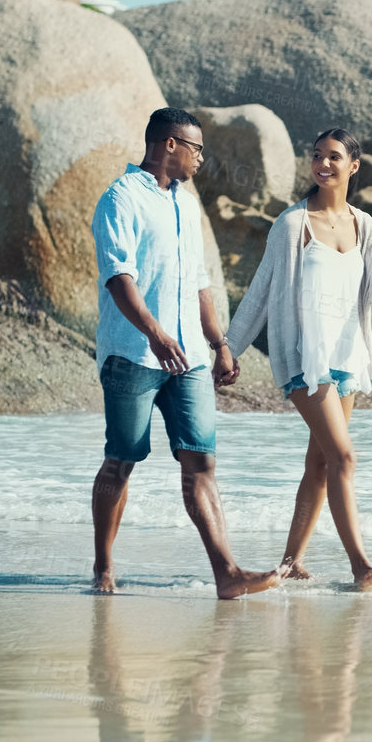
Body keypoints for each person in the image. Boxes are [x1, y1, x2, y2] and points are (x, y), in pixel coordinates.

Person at [89, 108, 278, 600]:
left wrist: (219, 343)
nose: (201, 158)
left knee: (200, 463)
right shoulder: (120, 198)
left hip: (190, 356)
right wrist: (153, 332)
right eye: (197, 149)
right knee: (121, 461)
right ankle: (103, 566)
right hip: (132, 352)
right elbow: (118, 277)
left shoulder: (187, 205)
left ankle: (227, 573)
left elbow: (198, 282)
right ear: (170, 144)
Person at [224, 128, 372, 590]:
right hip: (304, 358)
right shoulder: (292, 225)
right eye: (317, 156)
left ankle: (291, 562)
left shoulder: (364, 225)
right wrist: (229, 349)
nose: (323, 164)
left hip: (346, 359)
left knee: (320, 464)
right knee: (344, 458)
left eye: (334, 157)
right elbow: (260, 292)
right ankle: (358, 563)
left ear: (354, 166)